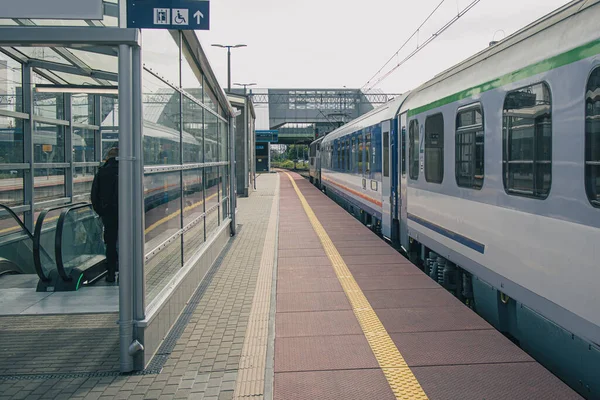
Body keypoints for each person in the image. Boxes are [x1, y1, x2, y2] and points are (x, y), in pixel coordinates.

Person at [91, 147, 119, 283]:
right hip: (125, 214)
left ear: (108, 158)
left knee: (111, 244)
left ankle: (111, 274)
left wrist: (102, 212)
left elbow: (94, 196)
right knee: (127, 242)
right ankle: (127, 272)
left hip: (109, 214)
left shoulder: (101, 172)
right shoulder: (126, 170)